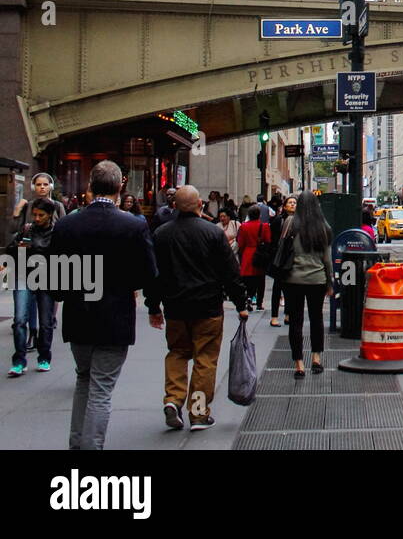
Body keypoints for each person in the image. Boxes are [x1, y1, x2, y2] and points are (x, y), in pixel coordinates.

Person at [48, 160, 157, 450]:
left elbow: (54, 278)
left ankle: (77, 443)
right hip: (115, 317)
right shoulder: (133, 225)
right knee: (101, 389)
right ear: (120, 186)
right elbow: (148, 274)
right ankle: (91, 446)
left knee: (83, 379)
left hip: (78, 316)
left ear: (89, 186)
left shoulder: (68, 224)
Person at [145, 186, 248, 431]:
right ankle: (199, 412)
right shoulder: (213, 233)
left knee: (177, 353)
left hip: (175, 306)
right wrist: (241, 303)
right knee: (205, 359)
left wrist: (153, 306)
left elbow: (154, 276)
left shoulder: (161, 234)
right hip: (208, 307)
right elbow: (229, 272)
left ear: (174, 206)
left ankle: (173, 399)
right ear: (200, 205)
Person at [277, 193, 332, 377]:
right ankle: (316, 358)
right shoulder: (323, 227)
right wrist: (330, 282)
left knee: (296, 321)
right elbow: (327, 259)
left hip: (292, 279)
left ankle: (299, 364)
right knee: (316, 319)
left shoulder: (290, 223)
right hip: (317, 280)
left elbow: (281, 247)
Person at [6, 196, 60, 376]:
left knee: (46, 322)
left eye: (41, 215)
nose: (37, 218)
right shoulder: (27, 230)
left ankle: (44, 357)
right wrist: (18, 248)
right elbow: (10, 250)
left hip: (47, 280)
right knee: (19, 320)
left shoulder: (57, 233)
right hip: (24, 278)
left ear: (50, 215)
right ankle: (19, 360)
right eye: (34, 215)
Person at [267, 196, 297, 328]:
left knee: (290, 288)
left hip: (291, 258)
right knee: (277, 288)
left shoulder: (299, 221)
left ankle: (288, 315)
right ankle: (274, 316)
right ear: (284, 206)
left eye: (294, 203)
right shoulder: (279, 220)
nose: (292, 204)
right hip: (279, 258)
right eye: (290, 203)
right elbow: (271, 239)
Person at [237, 204, 271, 310]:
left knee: (247, 280)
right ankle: (259, 303)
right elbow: (268, 240)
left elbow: (240, 243)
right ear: (259, 215)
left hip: (247, 254)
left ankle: (249, 298)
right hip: (259, 255)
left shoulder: (243, 226)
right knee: (260, 280)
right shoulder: (264, 226)